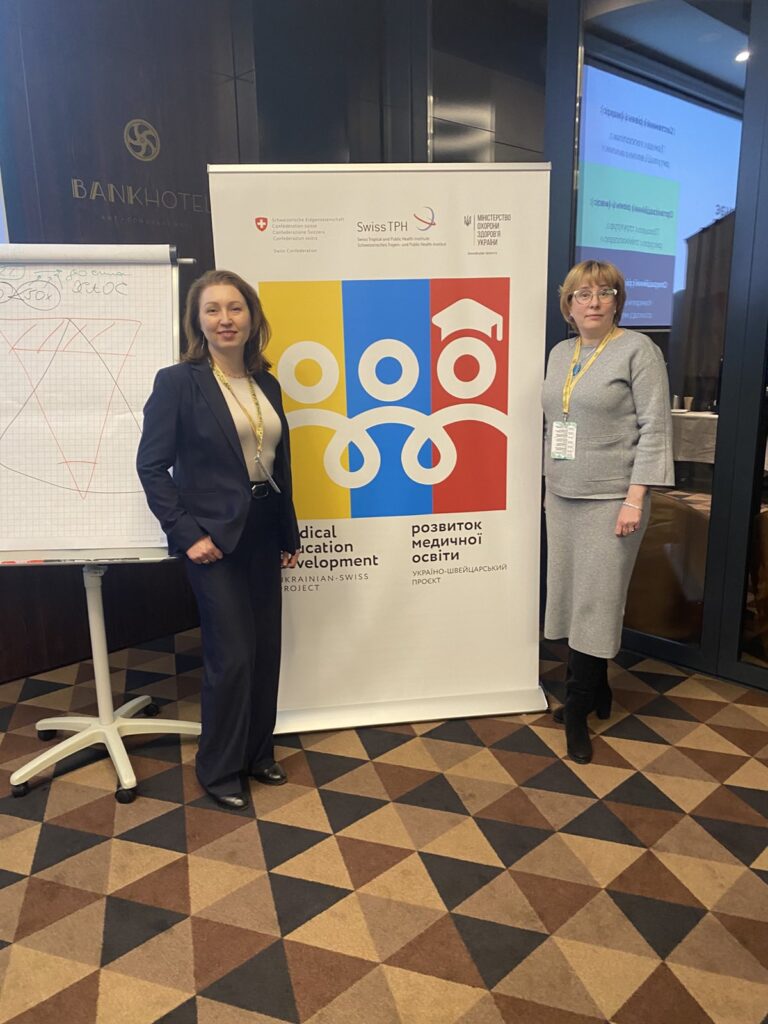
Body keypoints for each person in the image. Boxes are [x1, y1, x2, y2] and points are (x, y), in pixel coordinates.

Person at [137, 269, 301, 809]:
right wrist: (187, 535)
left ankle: (257, 753)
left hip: (263, 529)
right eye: (213, 309)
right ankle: (219, 768)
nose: (225, 319)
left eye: (235, 308)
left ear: (252, 318)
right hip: (212, 539)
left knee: (265, 650)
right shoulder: (178, 382)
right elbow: (152, 466)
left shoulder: (266, 383)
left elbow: (278, 462)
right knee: (231, 656)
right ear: (198, 320)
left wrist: (287, 531)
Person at [542, 259, 673, 765]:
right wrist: (548, 484)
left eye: (604, 292)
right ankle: (598, 690)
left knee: (596, 604)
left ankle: (576, 708)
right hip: (563, 495)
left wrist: (634, 498)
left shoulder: (638, 350)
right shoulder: (560, 353)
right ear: (568, 305)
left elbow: (655, 429)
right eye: (582, 294)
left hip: (612, 500)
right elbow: (555, 423)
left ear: (618, 300)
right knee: (570, 598)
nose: (593, 302)